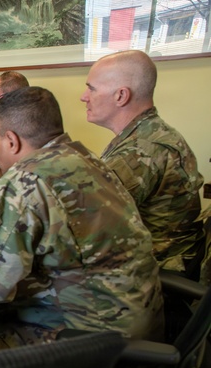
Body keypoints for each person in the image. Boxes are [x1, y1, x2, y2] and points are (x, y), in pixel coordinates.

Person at [0, 86, 162, 348]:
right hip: (136, 319)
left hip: (86, 337)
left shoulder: (26, 180)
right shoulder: (87, 159)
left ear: (11, 141)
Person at [81, 49, 205, 274]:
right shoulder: (148, 132)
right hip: (156, 259)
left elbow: (85, 221)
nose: (84, 97)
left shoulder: (141, 150)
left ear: (121, 96)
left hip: (152, 271)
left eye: (92, 89)